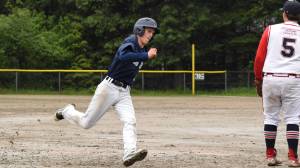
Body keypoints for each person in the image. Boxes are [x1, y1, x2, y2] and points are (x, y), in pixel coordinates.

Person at [54, 17, 159, 167]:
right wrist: (146, 56)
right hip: (109, 88)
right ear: (139, 30)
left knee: (130, 121)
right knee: (86, 123)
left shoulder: (142, 49)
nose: (151, 35)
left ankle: (129, 153)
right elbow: (123, 56)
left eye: (152, 32)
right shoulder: (130, 42)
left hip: (124, 92)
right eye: (148, 31)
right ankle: (67, 111)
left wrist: (145, 54)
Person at [254, 0, 300, 167]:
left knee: (271, 117)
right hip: (294, 78)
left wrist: (258, 79)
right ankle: (293, 157)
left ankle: (270, 155)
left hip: (271, 77)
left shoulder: (271, 30)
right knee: (293, 117)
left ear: (284, 13)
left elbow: (259, 57)